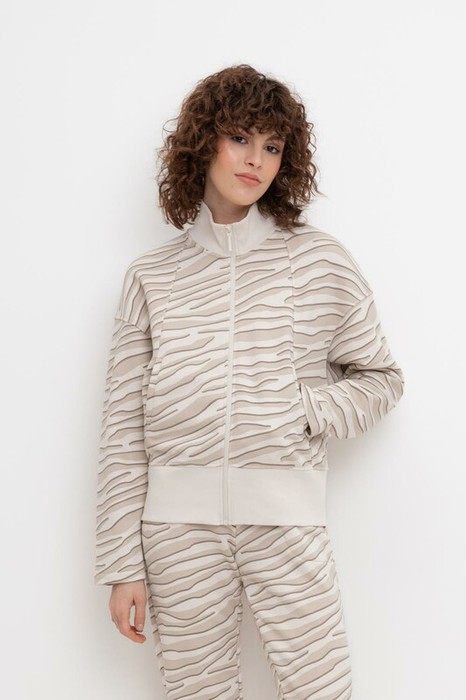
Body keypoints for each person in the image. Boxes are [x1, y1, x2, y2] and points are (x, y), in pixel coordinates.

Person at [94, 63, 405, 699]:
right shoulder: (151, 278)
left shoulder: (319, 261)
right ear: (202, 143)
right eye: (239, 137)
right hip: (177, 534)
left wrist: (301, 409)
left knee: (321, 690)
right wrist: (123, 564)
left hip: (286, 522)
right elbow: (122, 430)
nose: (255, 159)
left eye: (272, 145)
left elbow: (381, 378)